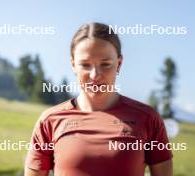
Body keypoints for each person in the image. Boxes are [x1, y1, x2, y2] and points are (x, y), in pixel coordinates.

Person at [24, 22, 173, 176]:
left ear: (119, 64)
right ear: (73, 65)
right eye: (85, 65)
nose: (95, 75)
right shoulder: (49, 121)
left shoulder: (147, 119)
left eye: (105, 64)